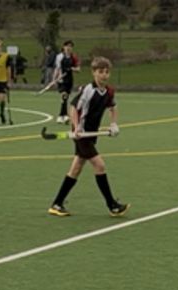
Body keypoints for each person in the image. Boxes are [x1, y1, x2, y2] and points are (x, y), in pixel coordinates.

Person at [47, 56, 128, 218]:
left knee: (76, 168)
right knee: (99, 165)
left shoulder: (109, 91)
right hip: (81, 133)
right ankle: (112, 205)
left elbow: (113, 107)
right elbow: (73, 108)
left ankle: (57, 203)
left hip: (91, 133)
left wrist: (113, 124)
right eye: (100, 72)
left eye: (106, 72)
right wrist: (76, 127)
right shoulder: (88, 90)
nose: (104, 75)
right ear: (94, 73)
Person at [53, 40, 80, 124]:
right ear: (63, 47)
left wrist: (72, 69)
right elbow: (57, 69)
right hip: (61, 80)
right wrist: (54, 79)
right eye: (67, 46)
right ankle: (62, 115)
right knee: (64, 96)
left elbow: (78, 69)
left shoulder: (74, 57)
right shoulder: (59, 57)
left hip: (69, 80)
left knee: (65, 98)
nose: (68, 48)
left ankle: (63, 116)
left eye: (70, 46)